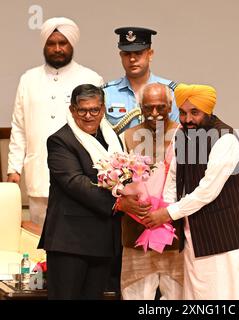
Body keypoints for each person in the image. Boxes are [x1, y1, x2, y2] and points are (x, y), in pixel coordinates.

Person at [141, 84, 239, 299]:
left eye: (194, 113)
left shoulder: (225, 138)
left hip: (230, 238)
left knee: (229, 295)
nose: (188, 119)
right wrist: (163, 206)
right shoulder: (182, 134)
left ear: (208, 111)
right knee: (199, 297)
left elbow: (207, 191)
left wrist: (167, 214)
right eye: (183, 112)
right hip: (196, 236)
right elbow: (174, 177)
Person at [37, 84, 143, 299]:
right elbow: (75, 182)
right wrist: (119, 203)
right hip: (70, 242)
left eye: (94, 110)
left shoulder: (112, 138)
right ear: (72, 110)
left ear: (103, 109)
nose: (88, 116)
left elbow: (124, 175)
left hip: (103, 240)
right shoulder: (60, 140)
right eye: (82, 110)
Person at [7, 17, 104, 226]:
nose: (57, 48)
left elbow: (99, 129)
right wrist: (13, 169)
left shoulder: (91, 78)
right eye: (52, 44)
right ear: (44, 45)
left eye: (63, 43)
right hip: (39, 176)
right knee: (37, 242)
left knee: (76, 237)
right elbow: (19, 128)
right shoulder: (28, 79)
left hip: (80, 178)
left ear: (72, 45)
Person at [120, 83, 183, 300]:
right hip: (136, 230)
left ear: (170, 105)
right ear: (140, 107)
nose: (154, 114)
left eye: (161, 107)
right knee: (135, 296)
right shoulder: (128, 137)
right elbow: (119, 182)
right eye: (148, 108)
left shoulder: (184, 134)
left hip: (175, 233)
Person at [103, 27, 179, 135]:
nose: (132, 59)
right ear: (121, 56)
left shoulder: (170, 92)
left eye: (138, 53)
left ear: (150, 54)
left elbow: (176, 132)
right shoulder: (107, 93)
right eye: (127, 54)